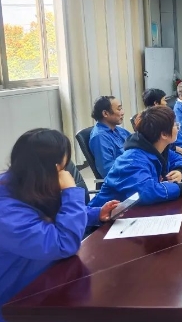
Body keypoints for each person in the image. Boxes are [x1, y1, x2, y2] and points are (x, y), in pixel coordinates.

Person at [0, 129, 119, 309]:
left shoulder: (30, 182)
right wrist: (70, 191)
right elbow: (63, 244)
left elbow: (52, 212)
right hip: (16, 301)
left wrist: (95, 214)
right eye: (62, 168)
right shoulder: (5, 210)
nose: (64, 173)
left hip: (48, 279)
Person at [89, 106, 182, 207]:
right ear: (163, 134)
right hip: (103, 222)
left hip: (132, 212)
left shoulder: (159, 148)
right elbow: (147, 193)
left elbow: (180, 160)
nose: (178, 128)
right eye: (174, 125)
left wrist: (180, 171)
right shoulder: (132, 160)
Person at [142, 88, 182, 156]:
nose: (166, 103)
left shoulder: (164, 115)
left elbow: (177, 131)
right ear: (156, 103)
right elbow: (160, 144)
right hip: (179, 151)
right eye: (164, 100)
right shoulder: (153, 121)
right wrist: (180, 150)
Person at [89, 96, 131, 178]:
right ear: (105, 113)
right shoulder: (100, 137)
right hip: (124, 178)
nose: (123, 112)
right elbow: (107, 170)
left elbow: (137, 145)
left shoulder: (119, 130)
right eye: (119, 109)